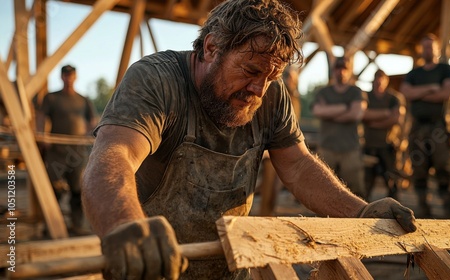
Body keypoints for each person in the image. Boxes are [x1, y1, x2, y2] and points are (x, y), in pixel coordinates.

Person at [81, 1, 417, 279]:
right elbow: (116, 154)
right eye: (251, 71)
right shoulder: (156, 79)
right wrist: (123, 225)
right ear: (211, 47)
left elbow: (298, 166)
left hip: (230, 264)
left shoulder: (270, 95)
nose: (259, 90)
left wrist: (360, 212)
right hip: (151, 266)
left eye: (272, 77)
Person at [400, 34, 450, 218]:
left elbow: (447, 94)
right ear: (421, 49)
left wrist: (419, 94)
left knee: (442, 165)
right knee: (419, 167)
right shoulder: (414, 73)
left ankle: (449, 210)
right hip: (418, 127)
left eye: (431, 47)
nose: (428, 50)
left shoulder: (445, 70)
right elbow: (406, 93)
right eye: (425, 47)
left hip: (438, 127)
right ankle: (423, 209)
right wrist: (431, 88)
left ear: (437, 49)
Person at [37, 65, 97, 235]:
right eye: (65, 75)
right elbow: (41, 117)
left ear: (75, 77)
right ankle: (51, 227)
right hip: (56, 151)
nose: (68, 78)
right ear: (61, 77)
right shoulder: (52, 98)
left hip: (76, 153)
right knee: (53, 190)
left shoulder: (83, 100)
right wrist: (42, 137)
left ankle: (77, 226)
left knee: (77, 190)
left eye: (71, 75)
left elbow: (92, 121)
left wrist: (87, 135)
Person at [311, 57, 367, 198]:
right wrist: (345, 107)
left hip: (350, 149)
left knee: (355, 190)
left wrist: (329, 113)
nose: (341, 72)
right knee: (322, 188)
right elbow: (317, 111)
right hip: (326, 148)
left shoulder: (356, 92)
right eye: (338, 68)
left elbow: (356, 114)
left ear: (349, 71)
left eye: (344, 68)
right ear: (333, 70)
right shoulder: (323, 92)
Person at [258, 65, 301, 216]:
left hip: (285, 148)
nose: (290, 79)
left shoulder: (294, 98)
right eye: (287, 75)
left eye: (292, 77)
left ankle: (268, 217)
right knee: (267, 190)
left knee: (275, 190)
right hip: (270, 150)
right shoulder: (274, 95)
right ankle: (263, 219)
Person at [363, 69, 404, 199]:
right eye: (376, 80)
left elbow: (396, 118)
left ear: (387, 81)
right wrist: (386, 114)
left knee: (392, 181)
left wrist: (374, 122)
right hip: (369, 145)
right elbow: (362, 114)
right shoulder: (366, 97)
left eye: (382, 80)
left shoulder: (394, 98)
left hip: (388, 146)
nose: (379, 83)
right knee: (366, 182)